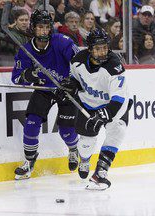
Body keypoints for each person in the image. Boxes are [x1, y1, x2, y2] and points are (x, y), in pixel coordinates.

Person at [58, 28, 131, 190]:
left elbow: (118, 97)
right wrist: (70, 86)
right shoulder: (77, 60)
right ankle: (84, 160)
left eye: (105, 47)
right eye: (98, 49)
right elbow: (73, 79)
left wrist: (106, 114)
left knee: (117, 131)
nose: (102, 52)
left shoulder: (114, 65)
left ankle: (100, 173)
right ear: (90, 49)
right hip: (88, 104)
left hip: (114, 106)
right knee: (85, 145)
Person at [11, 9, 80, 180]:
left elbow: (79, 63)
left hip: (66, 89)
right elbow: (16, 78)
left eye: (47, 27)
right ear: (33, 28)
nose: (43, 31)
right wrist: (30, 75)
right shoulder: (26, 50)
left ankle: (73, 149)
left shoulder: (62, 42)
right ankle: (29, 161)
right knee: (31, 123)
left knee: (66, 131)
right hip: (44, 90)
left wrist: (72, 82)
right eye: (40, 27)